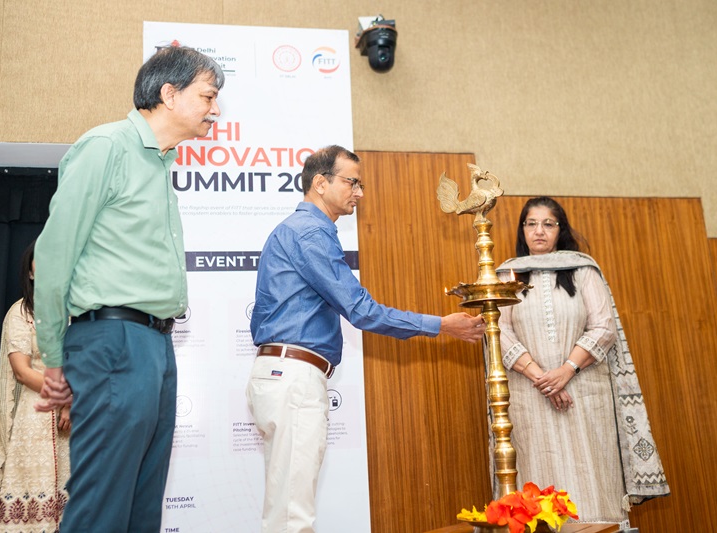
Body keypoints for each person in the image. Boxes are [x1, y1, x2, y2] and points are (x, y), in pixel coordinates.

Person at [246, 145, 486, 533]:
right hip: (294, 378)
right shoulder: (311, 233)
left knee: (286, 510)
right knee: (291, 516)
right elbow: (361, 310)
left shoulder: (298, 230)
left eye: (361, 185)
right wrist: (441, 325)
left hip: (282, 374)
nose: (359, 192)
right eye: (352, 182)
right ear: (320, 183)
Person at [33, 46, 224, 531]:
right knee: (101, 508)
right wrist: (53, 359)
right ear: (169, 94)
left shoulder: (161, 163)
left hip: (155, 344)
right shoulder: (106, 147)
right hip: (113, 341)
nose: (216, 110)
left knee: (142, 508)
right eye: (208, 96)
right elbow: (54, 255)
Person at [496, 197, 669, 527]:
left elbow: (603, 327)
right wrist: (543, 378)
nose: (539, 231)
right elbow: (499, 332)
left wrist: (566, 371)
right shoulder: (507, 274)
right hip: (530, 396)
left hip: (584, 394)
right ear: (522, 230)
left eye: (548, 224)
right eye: (531, 224)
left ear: (560, 230)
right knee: (538, 476)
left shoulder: (582, 269)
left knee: (592, 473)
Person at [0, 239, 71, 532]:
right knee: (30, 505)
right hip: (33, 418)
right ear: (31, 272)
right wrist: (66, 396)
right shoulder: (21, 313)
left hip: (73, 422)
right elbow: (22, 371)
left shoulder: (74, 315)